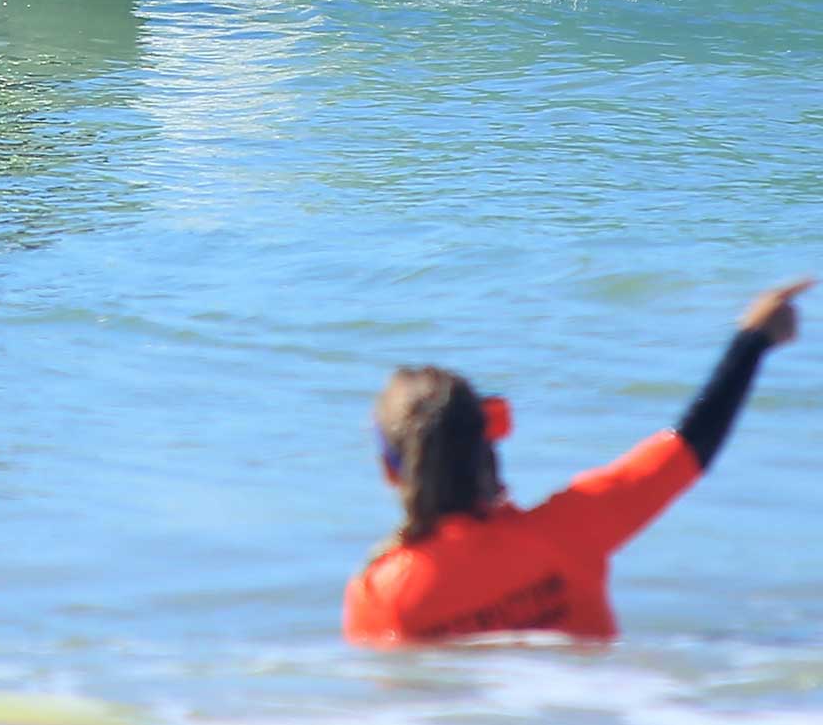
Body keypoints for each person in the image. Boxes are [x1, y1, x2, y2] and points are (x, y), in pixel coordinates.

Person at [344, 276, 809, 644]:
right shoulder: (571, 532)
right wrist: (753, 339)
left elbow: (393, 716)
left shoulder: (381, 594)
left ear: (391, 470)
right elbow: (689, 447)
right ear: (489, 446)